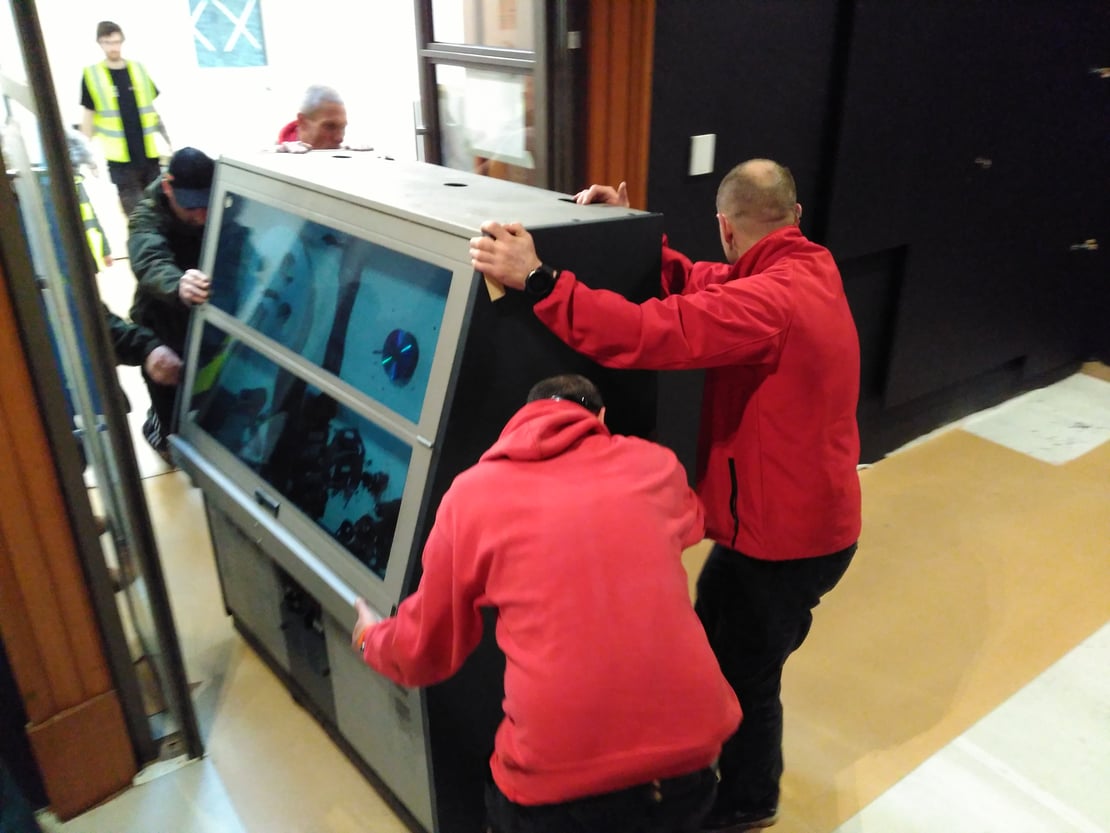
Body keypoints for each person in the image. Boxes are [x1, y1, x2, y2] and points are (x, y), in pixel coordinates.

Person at [468, 159, 862, 832]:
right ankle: (743, 787)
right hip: (805, 523)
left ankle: (745, 800)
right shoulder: (805, 269)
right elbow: (707, 284)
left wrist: (538, 282)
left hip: (783, 539)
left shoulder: (770, 300)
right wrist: (635, 238)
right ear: (792, 215)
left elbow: (654, 333)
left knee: (740, 671)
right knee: (736, 655)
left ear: (725, 227)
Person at [352, 374, 741, 833]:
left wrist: (368, 640)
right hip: (688, 761)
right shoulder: (654, 465)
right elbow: (692, 522)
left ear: (519, 420)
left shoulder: (471, 495)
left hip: (554, 787)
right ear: (599, 418)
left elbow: (424, 648)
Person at [128, 146, 214, 457]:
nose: (202, 216)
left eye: (206, 204)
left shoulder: (215, 193)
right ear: (167, 186)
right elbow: (149, 259)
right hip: (161, 315)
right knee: (171, 418)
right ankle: (158, 428)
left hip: (202, 310)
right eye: (192, 207)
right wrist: (177, 283)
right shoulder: (146, 215)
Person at [80, 20, 171, 218]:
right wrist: (84, 156)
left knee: (161, 208)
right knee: (136, 214)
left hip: (149, 154)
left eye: (116, 42)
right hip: (120, 160)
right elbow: (88, 116)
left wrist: (168, 144)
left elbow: (153, 110)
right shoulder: (92, 75)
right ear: (99, 43)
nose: (113, 47)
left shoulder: (138, 69)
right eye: (107, 42)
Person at [275, 84, 348, 151]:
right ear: (302, 122)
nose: (340, 138)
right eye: (330, 127)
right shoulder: (271, 157)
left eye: (342, 128)